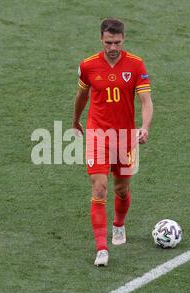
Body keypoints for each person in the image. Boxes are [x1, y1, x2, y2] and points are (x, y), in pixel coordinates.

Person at [72, 18, 154, 266]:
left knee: (121, 188)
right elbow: (81, 96)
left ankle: (118, 224)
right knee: (99, 189)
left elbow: (146, 102)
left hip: (125, 137)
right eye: (108, 42)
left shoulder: (136, 64)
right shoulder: (88, 66)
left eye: (117, 42)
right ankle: (101, 248)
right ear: (101, 39)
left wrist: (144, 127)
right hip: (97, 135)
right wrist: (75, 121)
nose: (113, 47)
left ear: (123, 39)